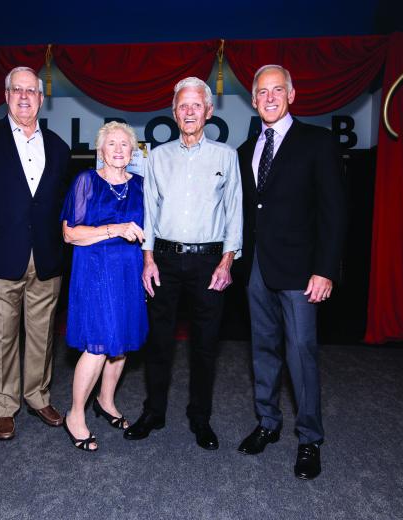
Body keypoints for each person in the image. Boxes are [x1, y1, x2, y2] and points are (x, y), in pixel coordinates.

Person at [234, 65, 346, 479]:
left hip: (302, 272)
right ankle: (267, 423)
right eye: (262, 92)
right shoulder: (246, 150)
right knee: (262, 351)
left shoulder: (318, 142)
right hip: (257, 269)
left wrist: (325, 270)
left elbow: (334, 213)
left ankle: (310, 438)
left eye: (277, 90)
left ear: (292, 94)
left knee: (301, 353)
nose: (269, 97)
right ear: (253, 99)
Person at [123, 77, 242, 450]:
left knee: (205, 346)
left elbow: (234, 211)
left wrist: (227, 262)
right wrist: (148, 260)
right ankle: (154, 412)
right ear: (174, 113)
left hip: (210, 262)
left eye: (196, 105)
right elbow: (150, 213)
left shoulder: (226, 156)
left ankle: (200, 418)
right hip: (165, 262)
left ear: (208, 111)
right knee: (159, 343)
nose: (189, 112)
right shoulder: (157, 157)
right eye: (182, 106)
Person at [0, 66, 71, 441]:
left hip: (47, 256)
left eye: (31, 91)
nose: (24, 96)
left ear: (40, 97)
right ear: (5, 96)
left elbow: (59, 206)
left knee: (41, 334)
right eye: (16, 90)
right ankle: (4, 406)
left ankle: (37, 396)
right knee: (2, 335)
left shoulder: (59, 146)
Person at [59, 121, 148, 451]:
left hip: (130, 273)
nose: (119, 149)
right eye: (112, 143)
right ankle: (75, 415)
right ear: (101, 150)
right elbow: (70, 234)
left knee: (121, 343)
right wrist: (114, 228)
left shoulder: (140, 185)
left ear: (133, 150)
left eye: (125, 144)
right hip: (96, 272)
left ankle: (106, 401)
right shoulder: (86, 182)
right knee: (97, 345)